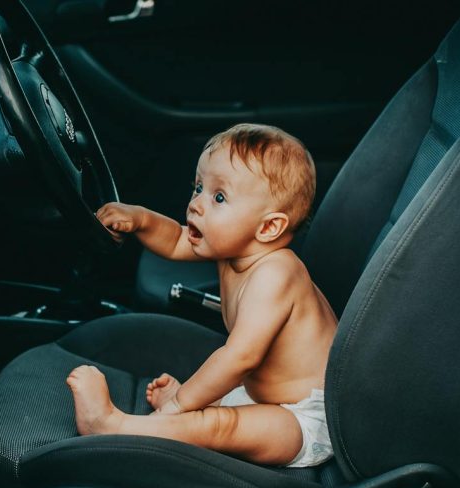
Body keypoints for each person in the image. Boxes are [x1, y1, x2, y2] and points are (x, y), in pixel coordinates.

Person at [66, 123, 337, 468]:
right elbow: (178, 240)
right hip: (258, 396)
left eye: (218, 197)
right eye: (198, 187)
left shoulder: (276, 274)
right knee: (217, 408)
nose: (196, 204)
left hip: (305, 418)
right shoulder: (234, 248)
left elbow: (240, 358)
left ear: (268, 228)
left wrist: (180, 402)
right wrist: (139, 219)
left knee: (219, 425)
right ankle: (186, 411)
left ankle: (111, 425)